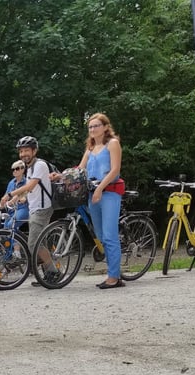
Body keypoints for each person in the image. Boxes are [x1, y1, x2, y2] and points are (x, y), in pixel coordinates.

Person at [79, 113, 124, 288]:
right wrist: (60, 176)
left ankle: (114, 277)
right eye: (90, 127)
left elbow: (115, 170)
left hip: (109, 192)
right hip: (93, 194)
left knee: (109, 234)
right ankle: (112, 272)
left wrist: (99, 188)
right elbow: (80, 169)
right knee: (100, 236)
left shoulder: (112, 144)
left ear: (105, 127)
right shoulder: (90, 148)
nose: (92, 129)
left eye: (96, 125)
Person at [6, 136, 55, 285]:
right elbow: (28, 191)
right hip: (34, 208)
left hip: (42, 208)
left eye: (26, 150)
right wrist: (15, 199)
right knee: (41, 243)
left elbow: (30, 186)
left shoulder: (39, 165)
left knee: (33, 243)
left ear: (34, 150)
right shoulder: (30, 167)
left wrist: (10, 194)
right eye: (21, 151)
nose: (23, 154)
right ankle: (47, 275)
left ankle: (53, 271)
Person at [0, 160, 29, 231]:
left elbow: (23, 195)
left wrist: (23, 199)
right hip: (11, 210)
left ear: (23, 169)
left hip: (23, 208)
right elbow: (5, 197)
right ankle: (13, 241)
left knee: (10, 226)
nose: (14, 171)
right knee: (5, 230)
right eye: (13, 169)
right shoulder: (11, 183)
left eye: (17, 169)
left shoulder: (27, 182)